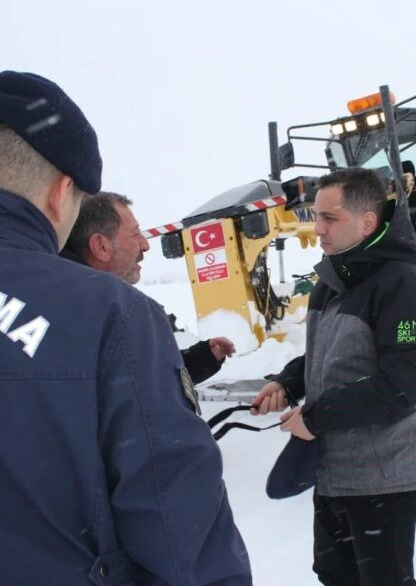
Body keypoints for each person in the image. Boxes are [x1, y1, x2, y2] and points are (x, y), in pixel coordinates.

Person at [0, 70, 252, 585]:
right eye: (135, 234)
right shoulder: (112, 315)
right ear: (61, 191)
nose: (143, 245)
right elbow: (176, 521)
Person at [253, 167, 416, 586]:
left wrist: (316, 418)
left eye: (329, 218)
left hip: (386, 477)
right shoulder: (332, 280)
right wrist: (288, 382)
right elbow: (325, 352)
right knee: (334, 574)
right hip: (336, 469)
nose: (316, 228)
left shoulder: (403, 288)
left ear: (367, 222)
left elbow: (403, 384)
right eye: (316, 216)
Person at [61, 191, 234, 384]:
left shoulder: (60, 302)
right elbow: (145, 400)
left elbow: (137, 378)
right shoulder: (117, 313)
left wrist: (200, 359)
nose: (145, 245)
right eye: (135, 234)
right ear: (101, 246)